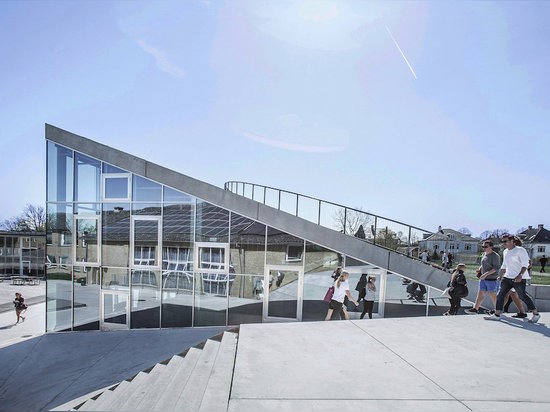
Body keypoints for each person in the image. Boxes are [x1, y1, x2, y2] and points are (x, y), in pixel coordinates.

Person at [492, 235, 540, 323]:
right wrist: (500, 275)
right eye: (503, 241)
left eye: (505, 241)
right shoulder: (505, 251)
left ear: (512, 241)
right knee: (500, 295)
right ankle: (497, 314)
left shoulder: (520, 250)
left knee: (522, 296)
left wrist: (520, 275)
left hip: (518, 278)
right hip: (507, 277)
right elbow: (504, 265)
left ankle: (536, 313)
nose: (504, 243)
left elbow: (526, 264)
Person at [466, 241, 501, 314]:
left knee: (492, 295)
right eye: (483, 247)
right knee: (481, 294)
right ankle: (475, 309)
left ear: (491, 247)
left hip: (492, 279)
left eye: (486, 246)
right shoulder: (484, 255)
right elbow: (483, 263)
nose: (484, 248)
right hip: (483, 279)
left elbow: (496, 268)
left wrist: (486, 274)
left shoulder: (495, 256)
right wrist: (480, 269)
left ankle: (497, 310)